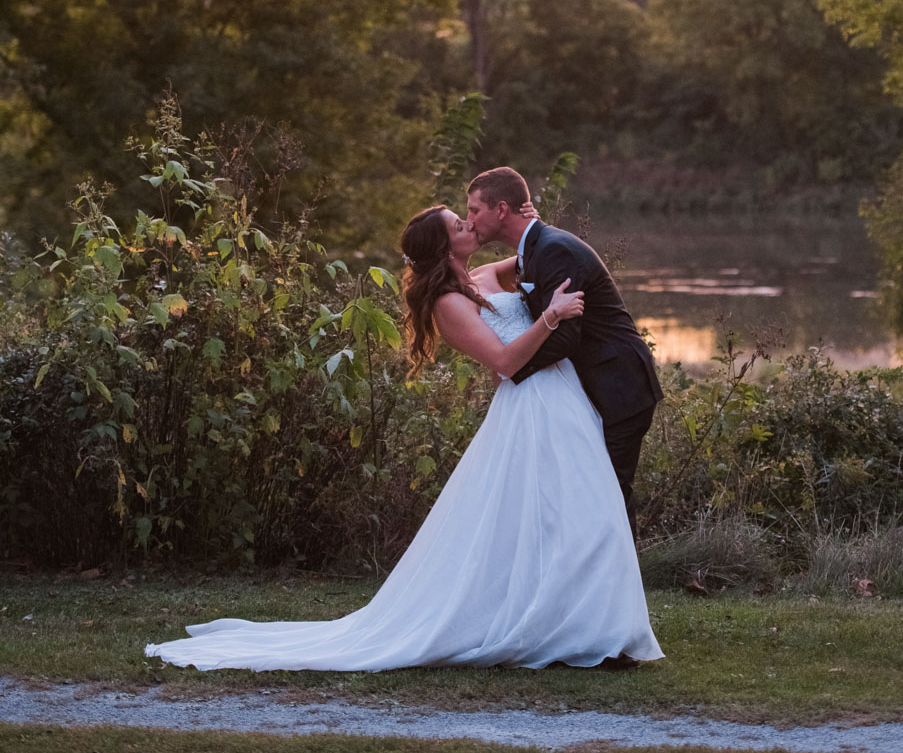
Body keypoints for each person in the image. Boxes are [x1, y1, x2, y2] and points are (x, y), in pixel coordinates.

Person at [144, 202, 662, 672]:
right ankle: (575, 633)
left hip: (565, 401)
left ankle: (583, 627)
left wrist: (526, 218)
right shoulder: (447, 304)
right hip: (532, 409)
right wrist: (550, 317)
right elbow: (504, 363)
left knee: (583, 514)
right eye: (460, 224)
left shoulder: (482, 275)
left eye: (471, 216)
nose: (469, 223)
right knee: (574, 513)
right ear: (444, 245)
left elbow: (535, 252)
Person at [466, 167, 663, 539]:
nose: (470, 219)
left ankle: (617, 592)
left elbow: (565, 337)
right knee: (592, 492)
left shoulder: (553, 249)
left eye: (475, 210)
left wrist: (510, 369)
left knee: (608, 493)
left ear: (502, 209)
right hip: (596, 386)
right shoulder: (532, 249)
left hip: (620, 386)